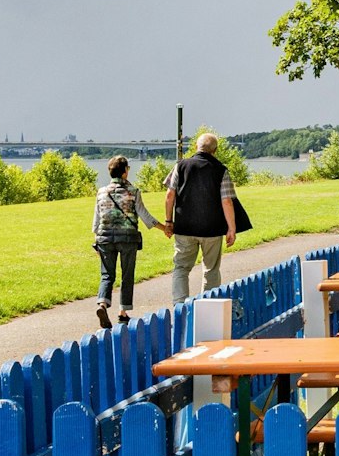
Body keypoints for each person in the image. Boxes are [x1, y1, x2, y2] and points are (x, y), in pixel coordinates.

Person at [91, 155, 165, 329]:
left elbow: (96, 220)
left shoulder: (101, 192)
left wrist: (96, 240)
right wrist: (165, 228)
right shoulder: (133, 192)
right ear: (124, 172)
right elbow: (145, 216)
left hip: (105, 238)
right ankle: (122, 312)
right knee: (127, 275)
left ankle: (102, 304)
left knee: (107, 275)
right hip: (127, 238)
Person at [163, 133, 239, 303]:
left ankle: (179, 304)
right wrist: (231, 228)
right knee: (211, 269)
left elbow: (170, 195)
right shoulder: (221, 170)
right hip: (212, 230)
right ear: (215, 150)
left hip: (185, 228)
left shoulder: (181, 166)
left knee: (181, 268)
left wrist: (169, 221)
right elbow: (226, 201)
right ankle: (207, 303)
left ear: (197, 147)